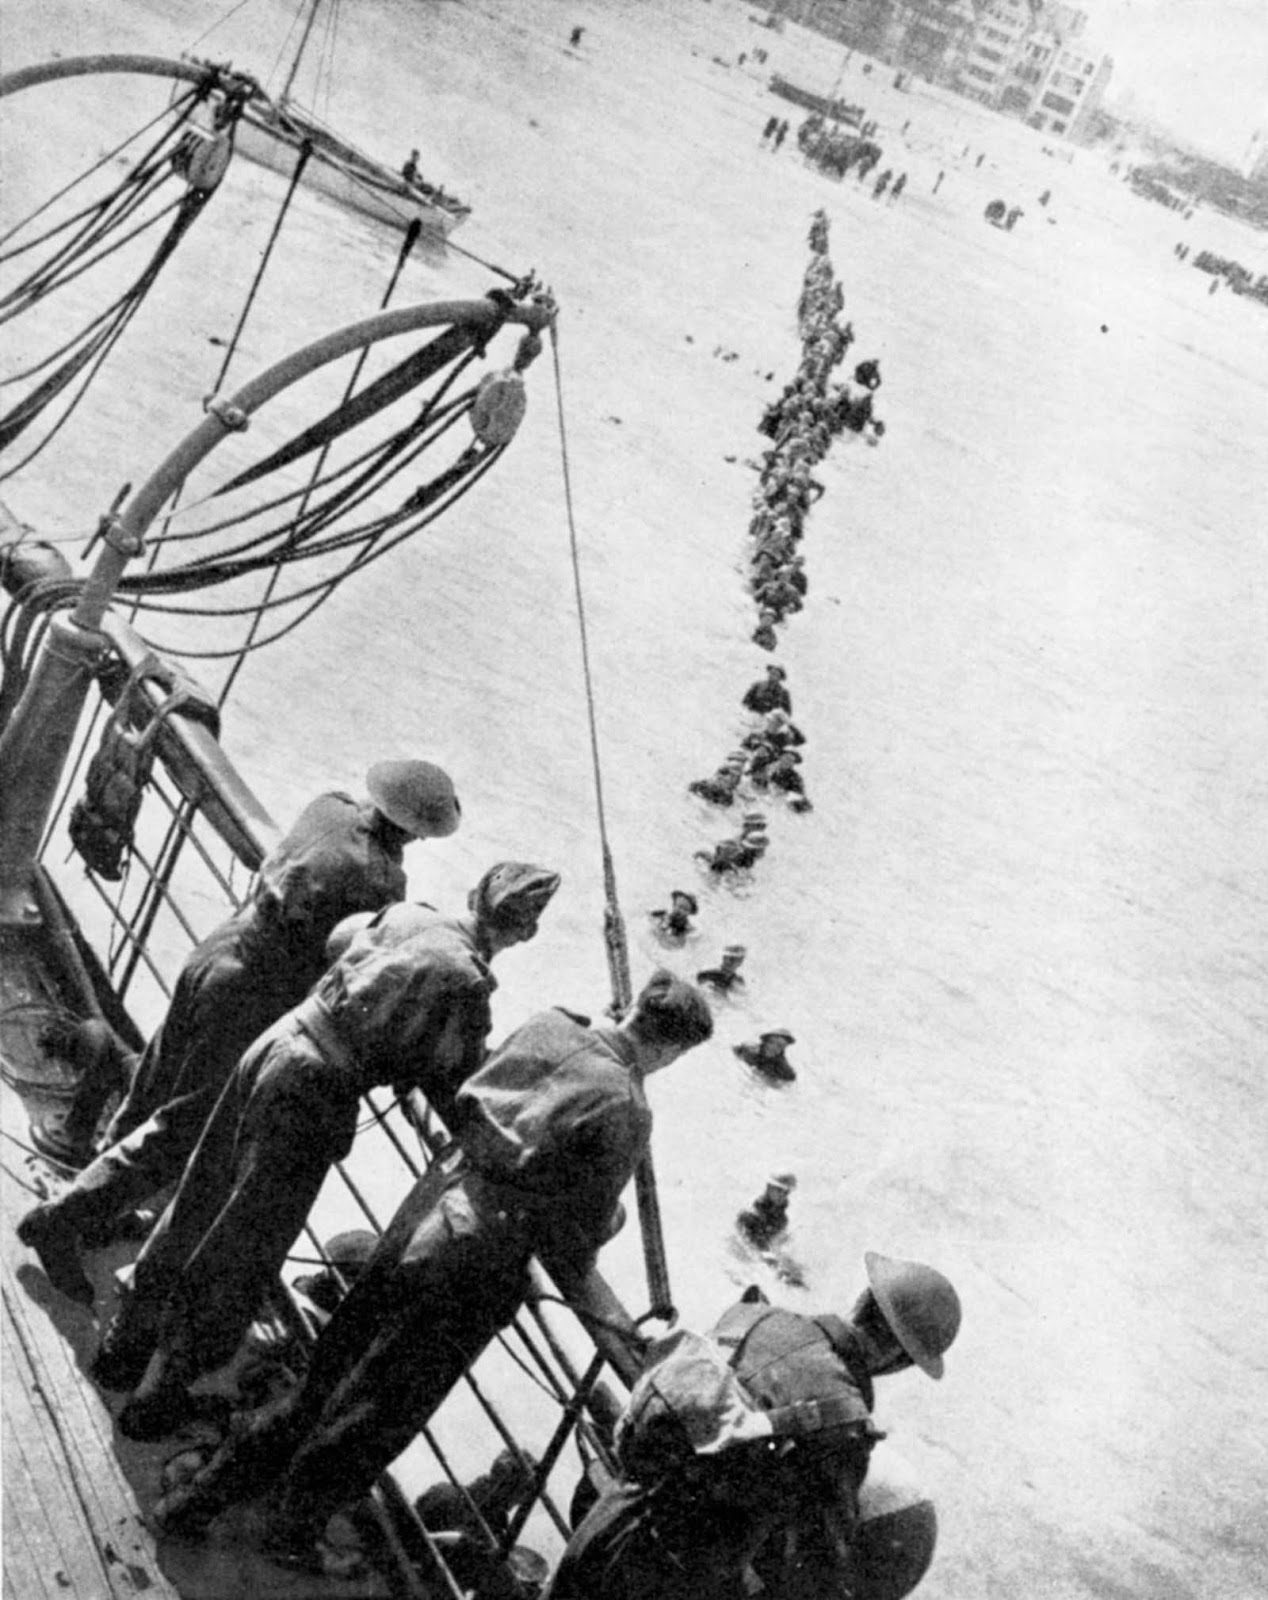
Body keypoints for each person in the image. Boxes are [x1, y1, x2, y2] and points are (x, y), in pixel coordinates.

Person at [153, 970, 716, 1570]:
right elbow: (577, 1233)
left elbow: (475, 1087)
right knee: (381, 1411)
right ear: (671, 1050)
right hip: (479, 1262)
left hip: (432, 1202)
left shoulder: (553, 1021)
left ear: (631, 1007)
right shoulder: (627, 1109)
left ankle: (198, 1496)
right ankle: (292, 1531)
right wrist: (613, 1222)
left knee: (329, 1369)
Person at [93, 861, 560, 1441]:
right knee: (245, 1247)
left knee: (199, 1197)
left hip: (277, 1042)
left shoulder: (413, 913)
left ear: (473, 890)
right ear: (523, 933)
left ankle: (122, 1349)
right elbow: (461, 1079)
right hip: (312, 1093)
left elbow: (342, 942)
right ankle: (156, 1399)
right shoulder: (469, 982)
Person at [17, 760, 461, 1308]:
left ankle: (95, 1205)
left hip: (221, 947)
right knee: (185, 1126)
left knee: (153, 1083)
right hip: (252, 994)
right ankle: (61, 1222)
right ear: (416, 829)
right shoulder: (381, 881)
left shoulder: (329, 805)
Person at [545, 1255, 962, 1600]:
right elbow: (821, 1558)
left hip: (610, 1515)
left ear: (862, 1299)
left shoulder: (755, 1315)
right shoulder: (845, 1424)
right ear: (898, 1359)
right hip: (670, 1577)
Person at [736, 1174, 794, 1250]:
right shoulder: (750, 1214)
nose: (782, 1195)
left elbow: (777, 1247)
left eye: (786, 1192)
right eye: (779, 1190)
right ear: (769, 1188)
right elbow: (748, 1245)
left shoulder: (782, 1219)